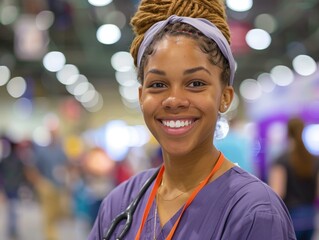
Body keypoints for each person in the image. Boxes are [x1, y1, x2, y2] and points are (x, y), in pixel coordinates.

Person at [88, 0, 296, 239]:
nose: (174, 100)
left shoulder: (254, 212)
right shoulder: (119, 204)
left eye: (195, 83)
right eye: (158, 84)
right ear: (141, 96)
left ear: (225, 97)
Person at [269, 117, 319, 240]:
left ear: (287, 133)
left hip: (290, 217)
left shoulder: (281, 160)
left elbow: (277, 192)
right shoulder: (314, 160)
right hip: (310, 217)